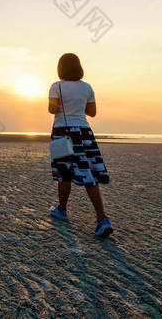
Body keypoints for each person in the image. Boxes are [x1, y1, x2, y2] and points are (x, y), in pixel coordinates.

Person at [48, 53, 113, 238]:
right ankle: (102, 218)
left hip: (63, 132)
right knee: (89, 174)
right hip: (84, 133)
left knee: (64, 173)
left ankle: (62, 210)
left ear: (60, 69)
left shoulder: (56, 86)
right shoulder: (87, 87)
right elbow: (91, 112)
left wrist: (63, 103)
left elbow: (52, 109)